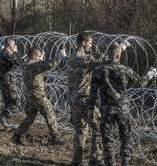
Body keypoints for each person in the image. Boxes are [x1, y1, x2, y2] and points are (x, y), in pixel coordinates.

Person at [87, 42, 157, 166]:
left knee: (107, 138)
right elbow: (141, 82)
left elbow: (93, 92)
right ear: (118, 56)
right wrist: (151, 74)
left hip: (106, 109)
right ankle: (125, 162)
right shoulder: (125, 69)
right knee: (125, 136)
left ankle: (111, 163)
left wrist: (91, 108)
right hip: (122, 109)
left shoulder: (98, 70)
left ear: (108, 55)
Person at [67, 31, 104, 165]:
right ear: (83, 43)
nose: (91, 46)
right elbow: (104, 60)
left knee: (80, 130)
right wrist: (121, 48)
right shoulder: (82, 58)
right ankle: (95, 159)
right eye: (90, 43)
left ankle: (76, 161)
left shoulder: (71, 57)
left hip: (72, 98)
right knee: (99, 126)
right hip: (83, 98)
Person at [0, 38, 20, 127]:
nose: (14, 46)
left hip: (6, 80)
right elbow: (17, 62)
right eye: (13, 45)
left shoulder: (5, 53)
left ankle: (7, 121)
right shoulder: (5, 54)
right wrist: (15, 52)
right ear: (9, 45)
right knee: (14, 99)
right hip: (6, 81)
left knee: (8, 100)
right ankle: (3, 116)